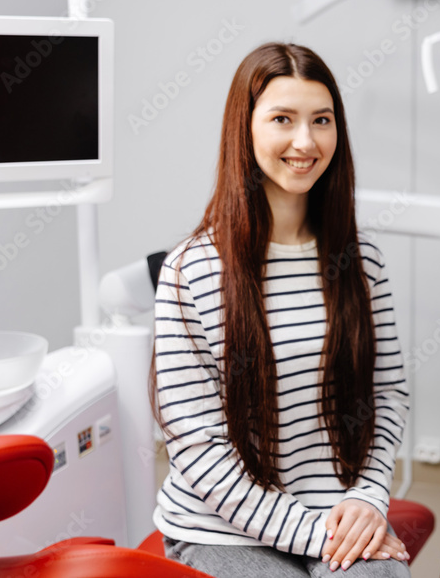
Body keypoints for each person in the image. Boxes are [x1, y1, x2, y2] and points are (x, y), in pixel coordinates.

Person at [149, 43, 412, 577]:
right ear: (244, 131)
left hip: (340, 514)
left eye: (322, 120)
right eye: (282, 120)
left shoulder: (362, 262)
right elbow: (200, 452)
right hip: (220, 530)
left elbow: (387, 394)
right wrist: (317, 534)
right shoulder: (191, 270)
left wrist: (368, 498)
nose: (305, 141)